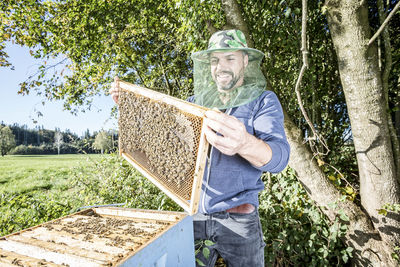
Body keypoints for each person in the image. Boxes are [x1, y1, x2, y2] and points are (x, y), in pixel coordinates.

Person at [110, 29, 290, 267]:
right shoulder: (195, 104)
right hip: (194, 216)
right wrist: (132, 109)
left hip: (239, 220)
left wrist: (244, 142)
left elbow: (279, 157)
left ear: (245, 61)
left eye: (230, 58)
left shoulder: (262, 101)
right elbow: (165, 144)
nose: (221, 66)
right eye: (215, 60)